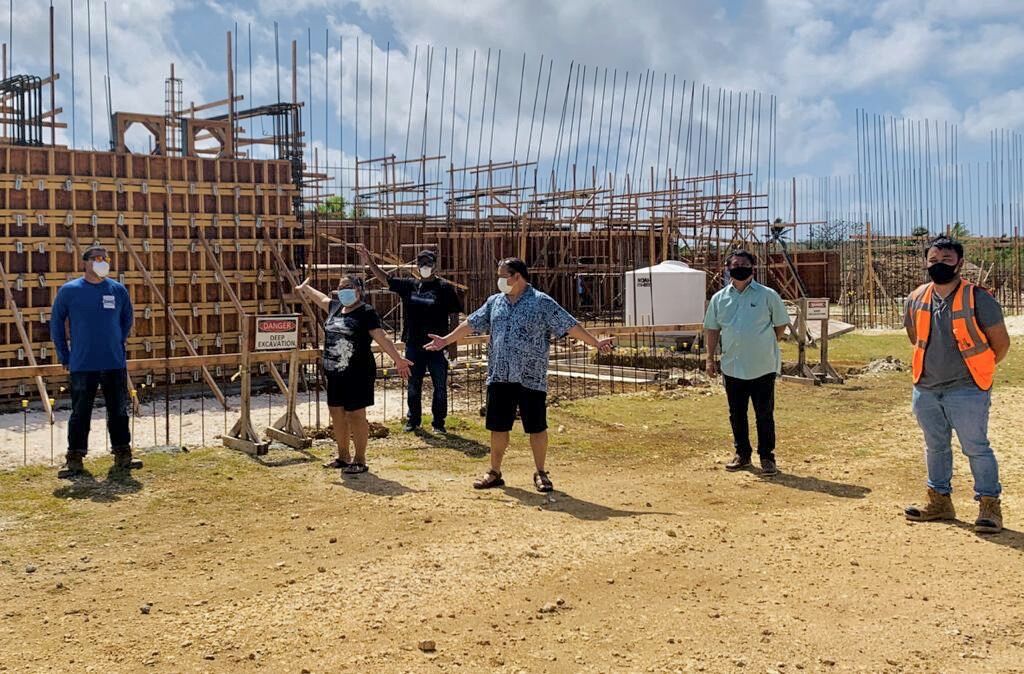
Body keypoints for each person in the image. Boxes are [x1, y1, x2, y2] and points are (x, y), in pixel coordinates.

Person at [424, 258, 614, 492]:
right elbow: (471, 324)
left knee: (536, 426)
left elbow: (569, 325)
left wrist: (595, 342)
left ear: (517, 276)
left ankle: (541, 472)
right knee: (498, 426)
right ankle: (494, 471)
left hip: (530, 375)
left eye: (503, 275)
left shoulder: (541, 302)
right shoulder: (495, 302)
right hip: (500, 374)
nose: (500, 280)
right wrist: (445, 340)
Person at [903, 236, 1010, 533]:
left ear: (960, 263)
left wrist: (980, 369)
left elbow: (1000, 344)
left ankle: (989, 506)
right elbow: (915, 337)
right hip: (926, 388)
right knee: (935, 446)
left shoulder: (979, 298)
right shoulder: (916, 298)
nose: (939, 265)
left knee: (976, 448)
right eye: (933, 260)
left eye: (946, 260)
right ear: (926, 262)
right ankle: (939, 501)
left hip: (967, 389)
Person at [296, 275, 412, 474]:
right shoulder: (334, 308)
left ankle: (360, 459)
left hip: (358, 372)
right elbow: (321, 298)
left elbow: (381, 337)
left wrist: (398, 359)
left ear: (359, 290)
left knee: (355, 415)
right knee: (337, 414)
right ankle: (342, 456)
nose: (344, 290)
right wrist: (306, 289)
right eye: (341, 287)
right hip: (334, 372)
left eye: (348, 286)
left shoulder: (366, 312)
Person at [50, 245, 137, 479]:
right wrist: (63, 354)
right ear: (85, 263)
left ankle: (123, 453)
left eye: (105, 258)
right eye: (96, 258)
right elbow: (57, 323)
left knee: (118, 410)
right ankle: (75, 458)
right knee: (80, 412)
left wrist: (118, 340)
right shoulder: (70, 291)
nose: (101, 261)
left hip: (113, 361)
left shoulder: (117, 290)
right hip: (82, 362)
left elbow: (127, 318)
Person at [357, 244, 463, 434]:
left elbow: (454, 316)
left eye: (428, 263)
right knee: (414, 384)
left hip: (437, 346)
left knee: (440, 386)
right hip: (414, 345)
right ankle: (413, 420)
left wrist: (451, 345)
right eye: (421, 263)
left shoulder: (445, 288)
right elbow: (386, 279)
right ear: (416, 266)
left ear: (435, 266)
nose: (424, 266)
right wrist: (370, 262)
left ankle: (439, 423)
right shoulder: (409, 286)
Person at [703, 250, 790, 476]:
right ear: (728, 268)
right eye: (734, 264)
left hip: (762, 365)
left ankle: (767, 457)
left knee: (764, 413)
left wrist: (763, 341)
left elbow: (780, 325)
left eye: (743, 264)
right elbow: (712, 329)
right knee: (737, 413)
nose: (739, 267)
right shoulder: (719, 299)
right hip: (733, 366)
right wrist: (710, 358)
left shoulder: (768, 295)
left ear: (752, 268)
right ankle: (742, 454)